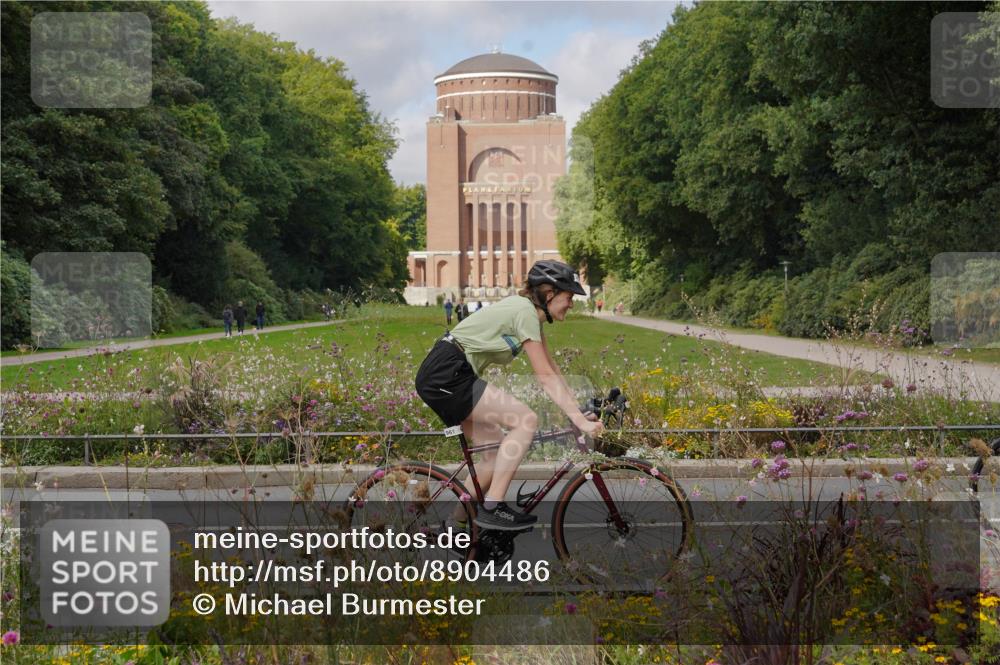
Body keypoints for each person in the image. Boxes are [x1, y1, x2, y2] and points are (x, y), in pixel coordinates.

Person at [415, 260, 604, 531]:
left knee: (492, 455)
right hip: (447, 374)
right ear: (549, 294)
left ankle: (455, 527)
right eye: (569, 296)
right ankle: (493, 507)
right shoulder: (525, 312)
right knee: (525, 420)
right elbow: (544, 377)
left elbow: (552, 368)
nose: (572, 303)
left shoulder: (531, 317)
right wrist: (581, 422)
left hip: (451, 373)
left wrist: (576, 413)